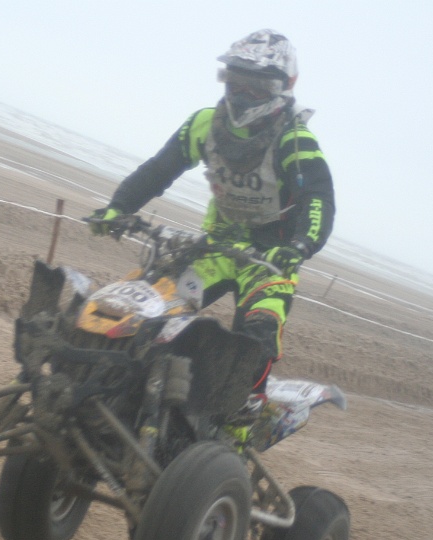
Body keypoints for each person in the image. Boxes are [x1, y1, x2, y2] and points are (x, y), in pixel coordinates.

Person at [88, 28, 335, 420]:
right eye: (236, 82)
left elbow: (318, 199)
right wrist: (118, 208)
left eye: (256, 87)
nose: (242, 94)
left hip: (270, 261)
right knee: (147, 302)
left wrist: (300, 248)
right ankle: (123, 391)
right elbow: (159, 170)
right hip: (216, 249)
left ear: (283, 88)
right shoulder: (205, 123)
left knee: (255, 336)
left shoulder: (296, 141)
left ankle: (236, 422)